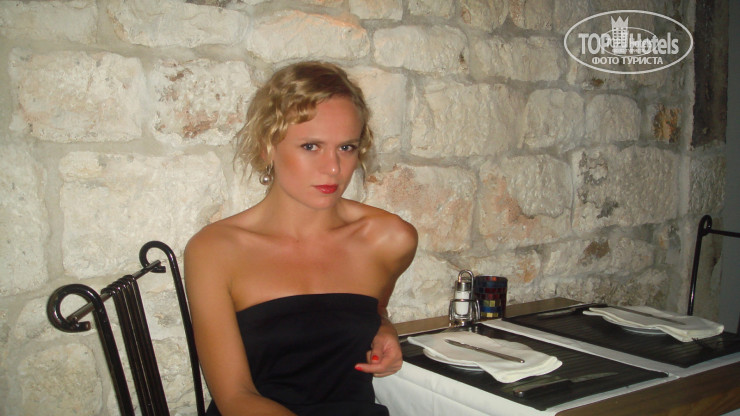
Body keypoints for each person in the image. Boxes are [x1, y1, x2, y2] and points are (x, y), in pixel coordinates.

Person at [184, 61, 418, 416]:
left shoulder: (389, 239)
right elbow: (235, 397)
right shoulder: (215, 250)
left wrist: (383, 326)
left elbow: (373, 307)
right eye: (311, 146)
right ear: (267, 147)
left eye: (346, 148)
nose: (333, 168)